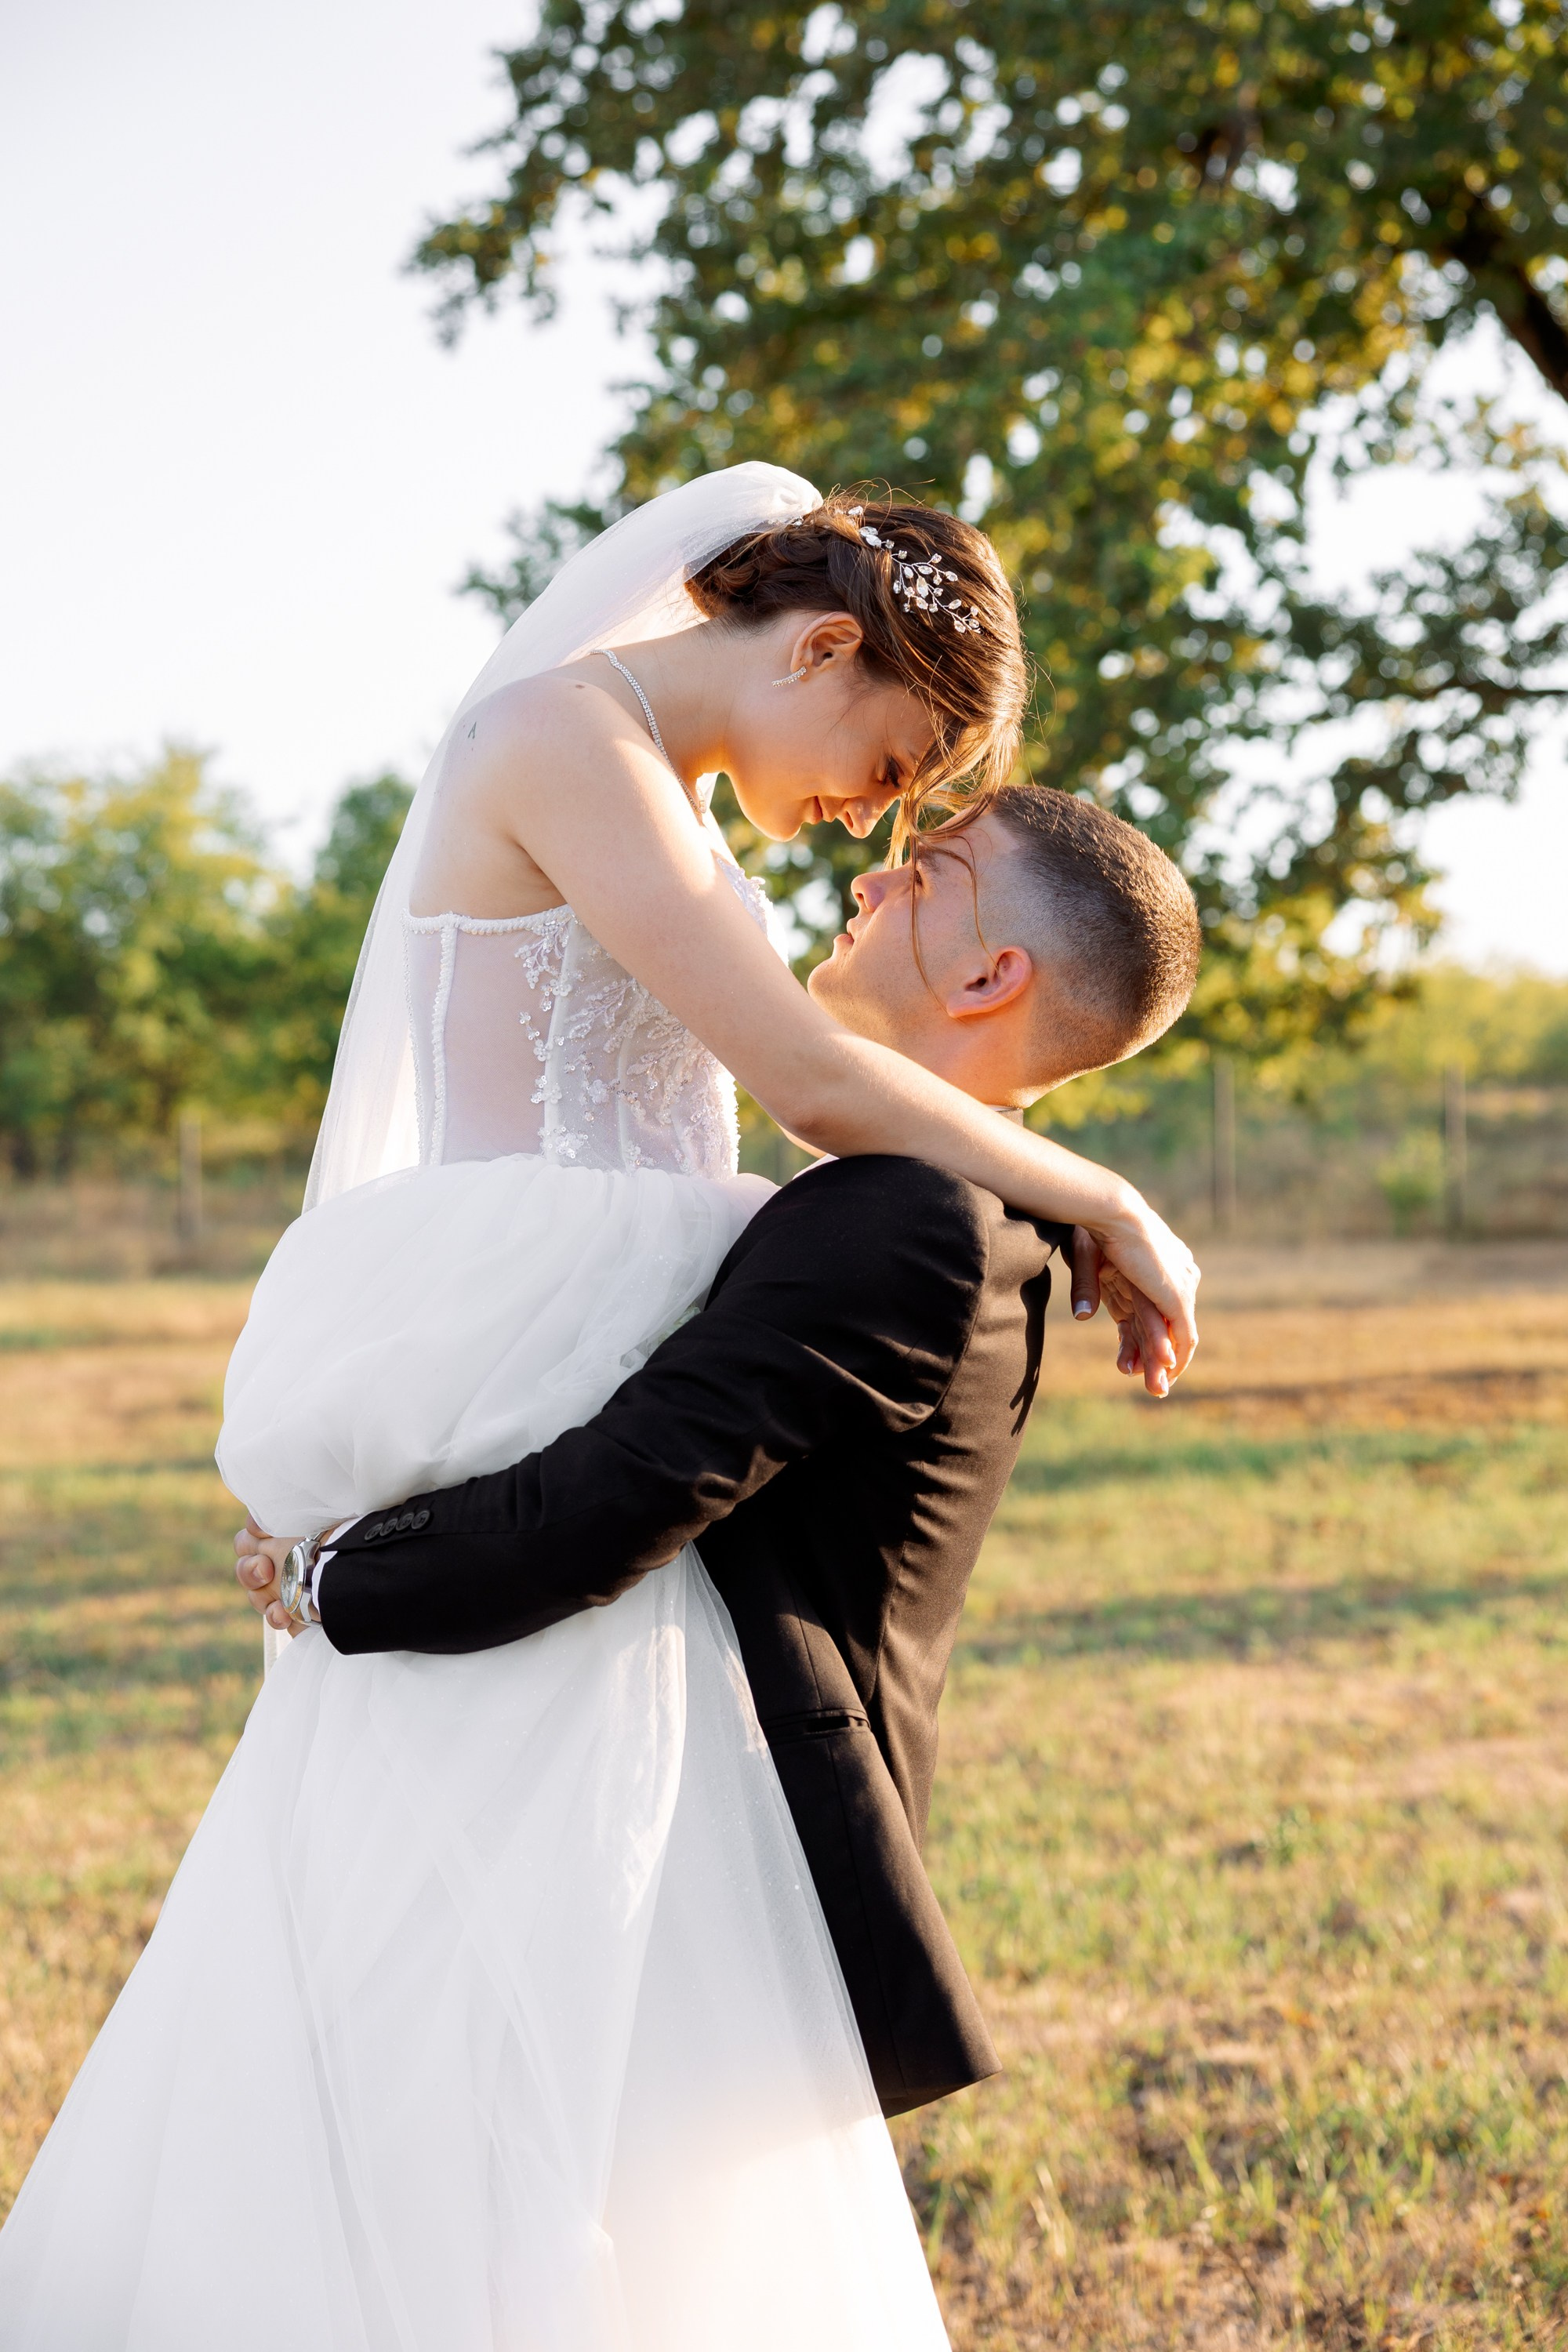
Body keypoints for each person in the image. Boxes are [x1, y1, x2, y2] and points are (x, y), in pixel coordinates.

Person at [0, 466, 1200, 2352]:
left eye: (908, 811)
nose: (870, 819)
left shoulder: (684, 820)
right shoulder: (564, 738)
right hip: (529, 1352)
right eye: (887, 765)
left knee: (561, 2009)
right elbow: (808, 1082)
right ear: (817, 648)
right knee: (432, 1978)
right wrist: (1101, 1192)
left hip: (606, 1411)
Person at [236, 783, 1201, 2125]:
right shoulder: (982, 1207)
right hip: (705, 1805)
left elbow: (615, 1500)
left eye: (928, 874)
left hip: (732, 1842)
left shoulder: (908, 1217)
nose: (870, 881)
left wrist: (328, 1577)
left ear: (993, 975)